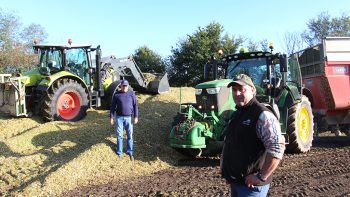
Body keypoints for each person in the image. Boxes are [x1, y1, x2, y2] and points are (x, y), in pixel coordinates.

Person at [220, 74, 285, 197]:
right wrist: (227, 172)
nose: (237, 93)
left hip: (251, 187)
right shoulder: (237, 114)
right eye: (234, 90)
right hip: (236, 183)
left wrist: (261, 176)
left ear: (252, 90)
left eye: (241, 89)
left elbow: (277, 148)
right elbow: (230, 142)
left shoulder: (262, 115)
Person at [110, 80, 139, 161]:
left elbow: (135, 105)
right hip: (119, 118)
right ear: (121, 86)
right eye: (123, 86)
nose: (125, 87)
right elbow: (112, 107)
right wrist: (111, 117)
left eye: (126, 86)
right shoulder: (117, 94)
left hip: (129, 118)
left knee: (130, 135)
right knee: (119, 135)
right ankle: (119, 152)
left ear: (128, 86)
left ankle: (130, 151)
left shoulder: (131, 94)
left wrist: (136, 116)